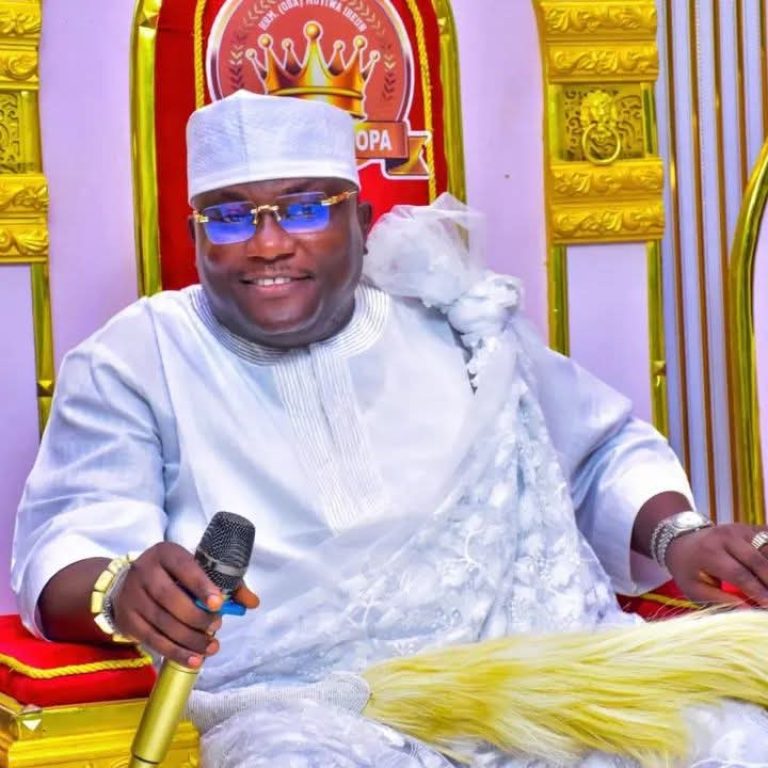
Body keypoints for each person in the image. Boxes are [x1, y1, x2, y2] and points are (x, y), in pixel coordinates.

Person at [10, 90, 768, 767]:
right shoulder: (137, 357)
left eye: (305, 208)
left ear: (361, 222)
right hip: (310, 708)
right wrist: (121, 588)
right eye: (230, 216)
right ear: (196, 234)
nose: (268, 244)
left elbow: (596, 451)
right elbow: (72, 538)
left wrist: (680, 539)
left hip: (544, 672)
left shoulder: (454, 323)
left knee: (737, 741)